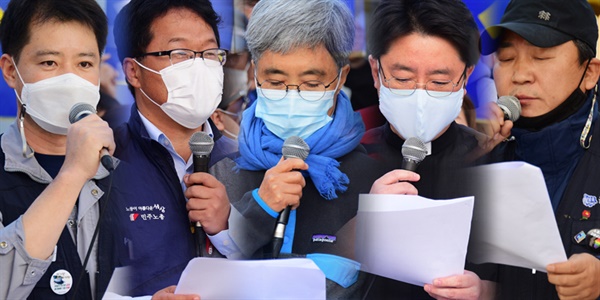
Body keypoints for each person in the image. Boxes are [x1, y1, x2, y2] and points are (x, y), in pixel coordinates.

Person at [210, 0, 384, 297]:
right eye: (276, 82)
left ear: (341, 78)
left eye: (312, 84)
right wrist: (259, 207)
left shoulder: (372, 183)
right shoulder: (222, 175)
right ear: (254, 74)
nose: (293, 97)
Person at [362, 0, 495, 299]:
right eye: (403, 78)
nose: (420, 94)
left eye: (439, 81)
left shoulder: (494, 161)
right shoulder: (345, 161)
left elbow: (532, 280)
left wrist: (487, 291)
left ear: (466, 78)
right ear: (375, 71)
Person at [111, 0, 237, 296]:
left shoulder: (245, 161)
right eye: (179, 53)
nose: (199, 67)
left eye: (209, 53)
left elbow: (275, 273)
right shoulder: (103, 163)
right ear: (134, 71)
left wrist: (227, 230)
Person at [0, 0, 124, 298]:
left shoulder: (126, 167)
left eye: (84, 64)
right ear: (10, 70)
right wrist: (73, 173)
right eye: (49, 63)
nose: (70, 80)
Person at [482, 0, 600, 298]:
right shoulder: (480, 149)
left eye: (542, 57)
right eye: (506, 58)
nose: (520, 75)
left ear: (590, 73)